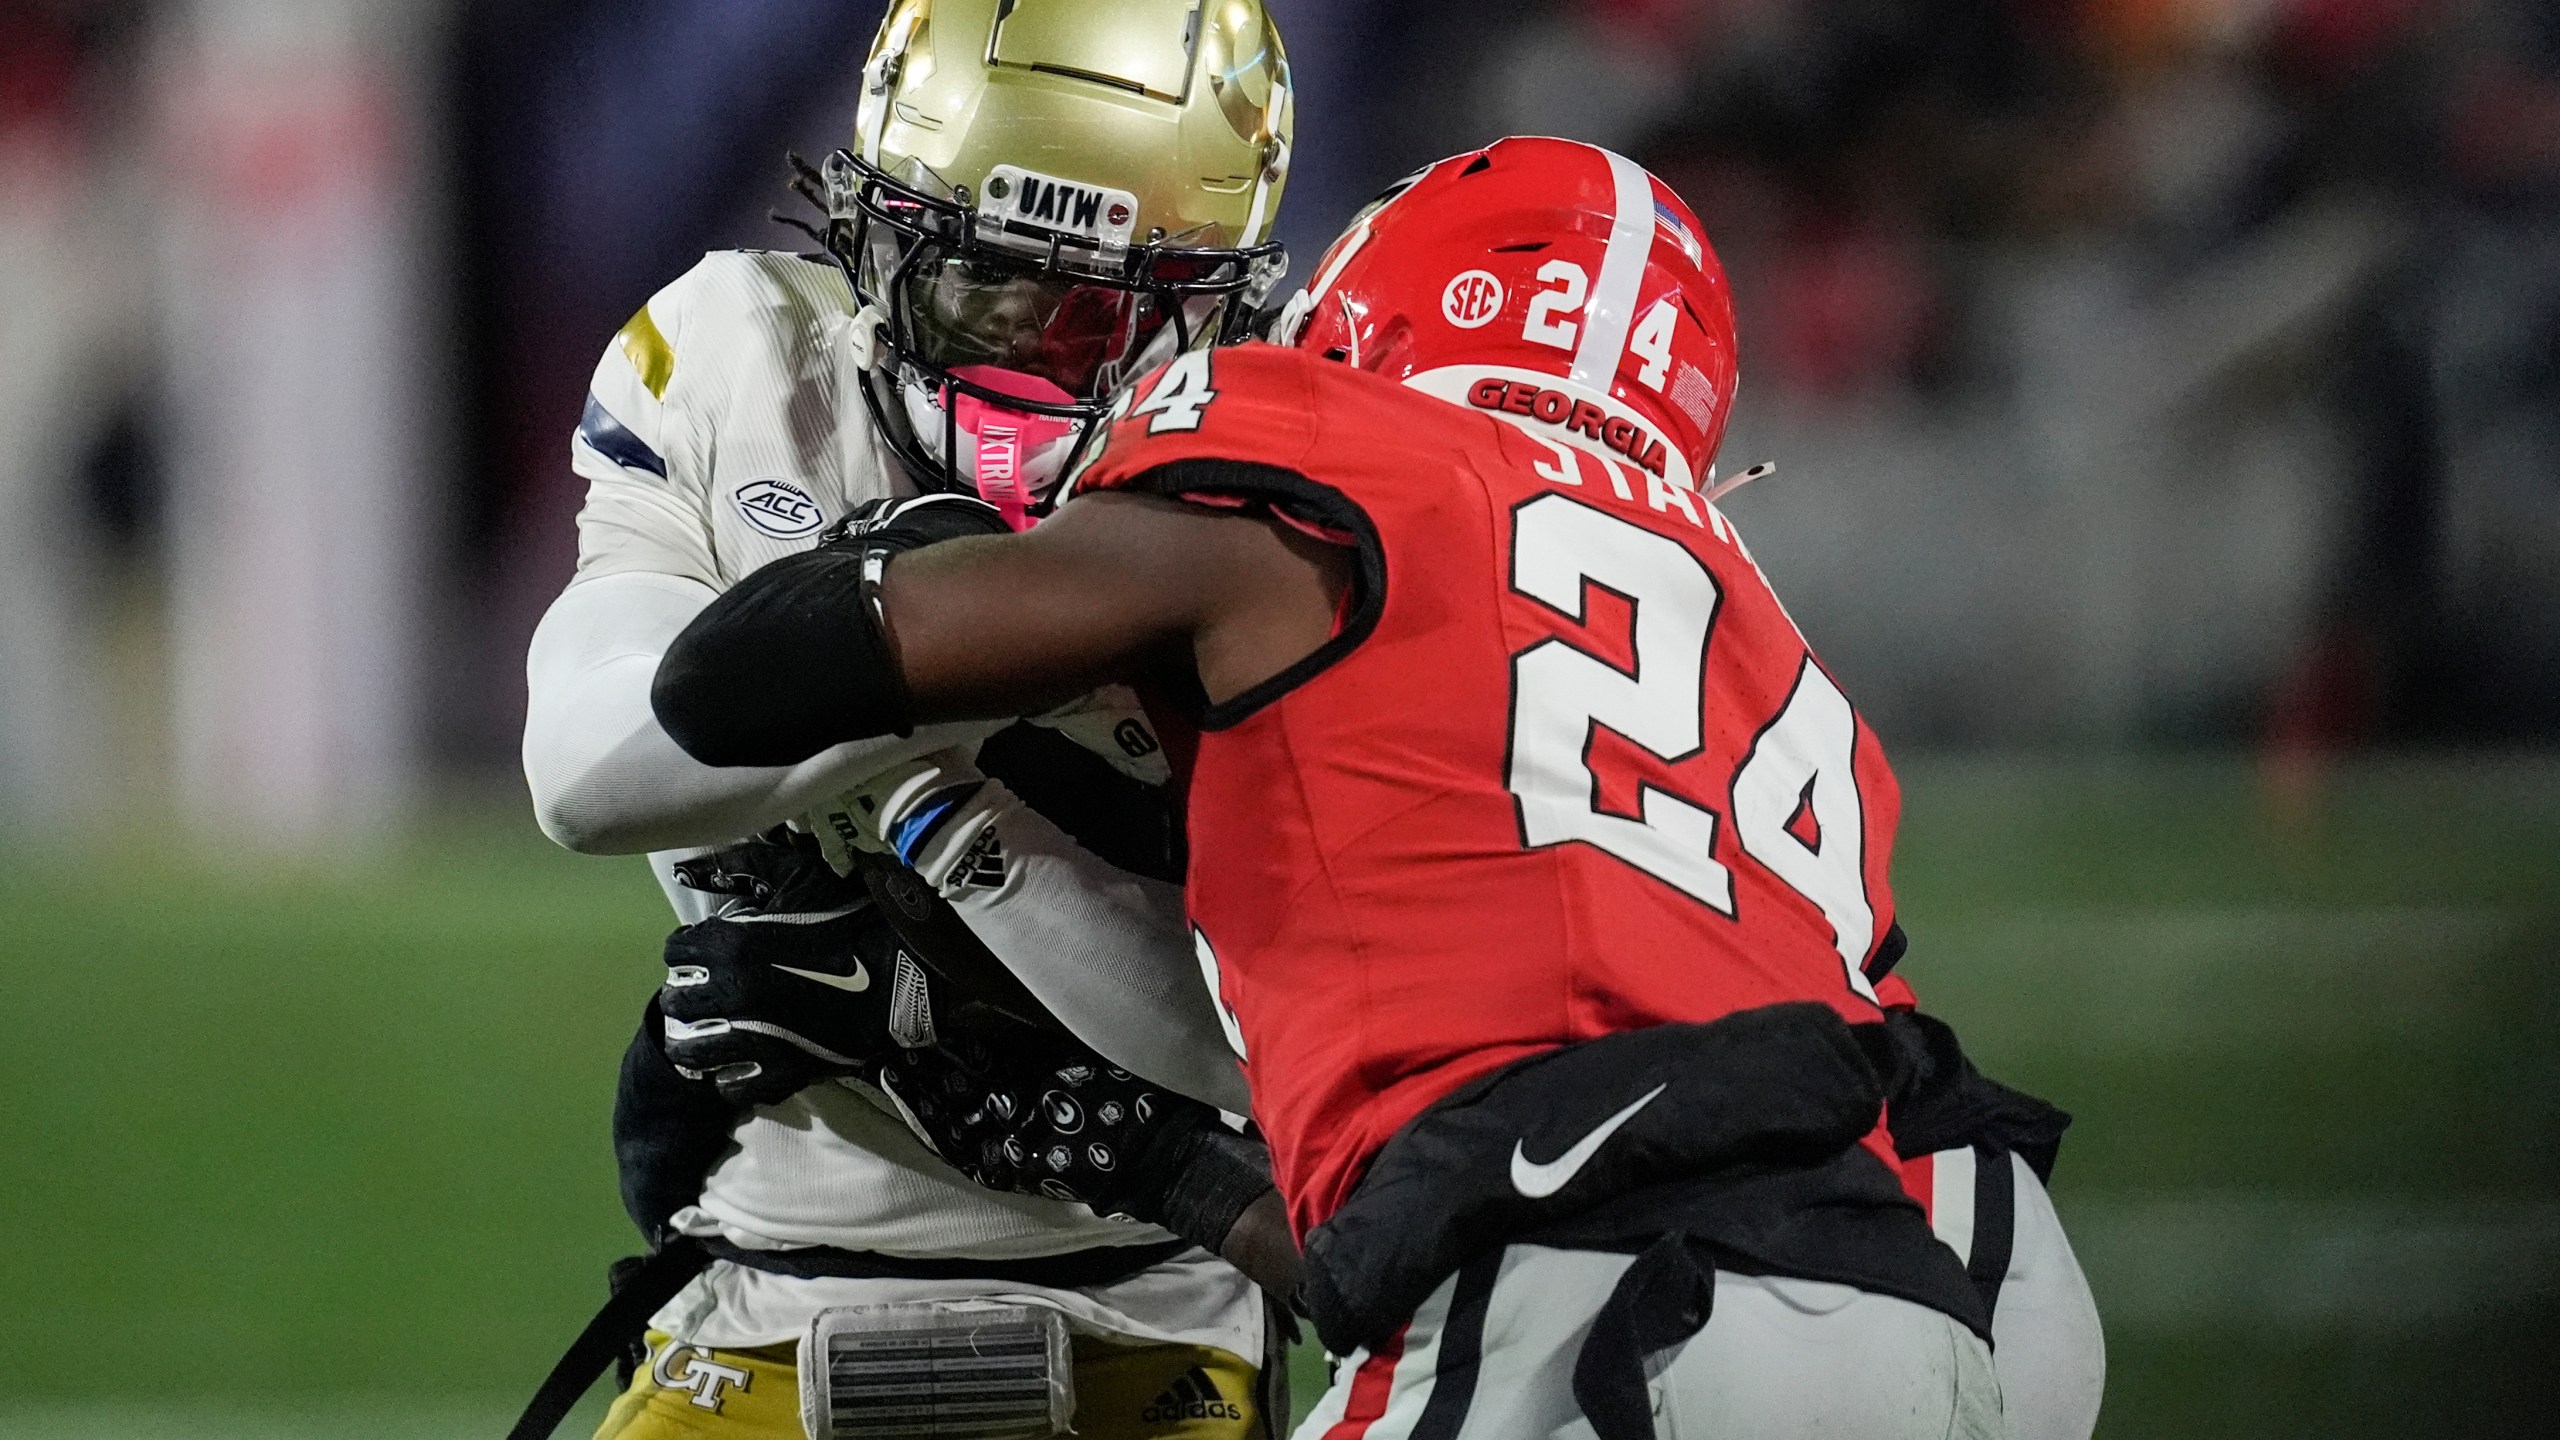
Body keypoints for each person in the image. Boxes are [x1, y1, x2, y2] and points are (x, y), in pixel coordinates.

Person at [651, 137, 2063, 1438]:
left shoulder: (1330, 454)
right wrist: (1155, 1162)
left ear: (1372, 314)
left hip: (1609, 1326)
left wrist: (913, 605)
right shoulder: (1774, 661)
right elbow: (1460, 1197)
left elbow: (724, 683)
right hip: (1932, 1332)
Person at [515, 4, 1303, 1438]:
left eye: (1089, 315)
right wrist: (969, 655)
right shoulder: (737, 353)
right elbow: (583, 767)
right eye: (974, 290)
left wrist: (895, 717)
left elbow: (1266, 1027)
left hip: (1147, 1294)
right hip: (769, 1279)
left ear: (1212, 302)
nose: (1020, 351)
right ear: (871, 234)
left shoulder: (1287, 456)